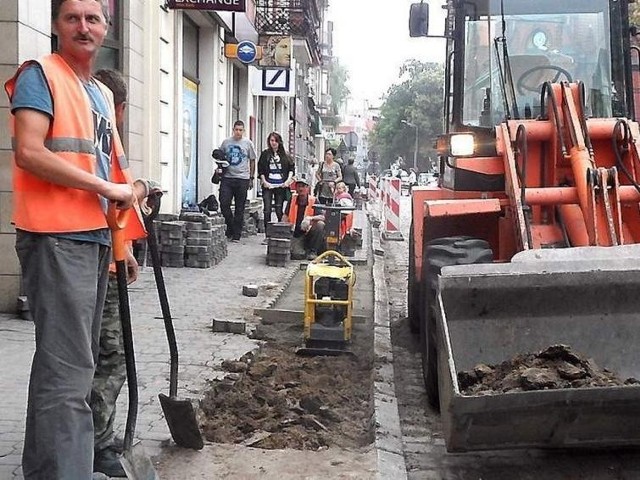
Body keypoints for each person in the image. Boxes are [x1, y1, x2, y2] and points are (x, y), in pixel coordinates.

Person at [4, 1, 145, 478]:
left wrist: (120, 243)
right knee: (66, 372)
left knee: (75, 370)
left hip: (92, 239)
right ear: (56, 25)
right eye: (73, 18)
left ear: (106, 28)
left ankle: (60, 467)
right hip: (56, 236)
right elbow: (28, 152)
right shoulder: (40, 75)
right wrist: (106, 190)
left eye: (93, 18)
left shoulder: (98, 95)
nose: (83, 27)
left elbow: (115, 172)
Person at [90, 68, 161, 478]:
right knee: (111, 356)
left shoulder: (105, 141)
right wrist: (139, 188)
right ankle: (98, 443)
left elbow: (115, 210)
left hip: (105, 256)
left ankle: (101, 434)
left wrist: (127, 253)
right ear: (118, 107)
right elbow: (111, 200)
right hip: (95, 261)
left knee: (103, 354)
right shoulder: (102, 138)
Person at [219, 120, 257, 242]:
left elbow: (252, 160)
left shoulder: (248, 143)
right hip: (227, 178)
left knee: (240, 207)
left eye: (241, 130)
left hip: (242, 179)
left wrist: (251, 177)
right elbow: (220, 157)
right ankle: (230, 227)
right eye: (236, 130)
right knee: (224, 204)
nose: (238, 132)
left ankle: (236, 234)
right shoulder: (226, 143)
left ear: (243, 131)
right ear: (233, 129)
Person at [258, 131, 295, 240]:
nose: (273, 143)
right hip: (268, 185)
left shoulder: (285, 155)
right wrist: (264, 182)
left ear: (279, 142)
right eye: (271, 140)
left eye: (275, 141)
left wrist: (288, 181)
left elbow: (291, 169)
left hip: (281, 185)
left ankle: (280, 231)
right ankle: (268, 235)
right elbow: (261, 170)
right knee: (267, 209)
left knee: (279, 209)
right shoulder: (265, 154)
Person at [283, 178, 326, 260]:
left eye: (303, 186)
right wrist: (282, 228)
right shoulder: (292, 199)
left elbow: (322, 217)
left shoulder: (314, 200)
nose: (301, 189)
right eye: (298, 186)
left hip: (309, 233)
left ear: (308, 188)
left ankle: (313, 251)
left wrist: (310, 218)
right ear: (295, 188)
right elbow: (285, 216)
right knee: (296, 255)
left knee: (320, 224)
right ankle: (303, 248)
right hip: (296, 234)